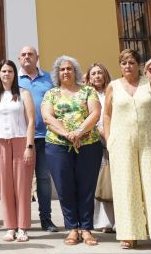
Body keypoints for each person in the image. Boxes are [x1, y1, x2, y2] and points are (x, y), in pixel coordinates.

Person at [104, 49, 151, 250]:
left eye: (131, 62)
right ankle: (130, 233)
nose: (127, 66)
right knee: (127, 186)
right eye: (123, 63)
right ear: (119, 66)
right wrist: (109, 138)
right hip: (122, 142)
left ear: (139, 65)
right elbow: (107, 115)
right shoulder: (113, 87)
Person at [42, 56, 103, 246]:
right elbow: (47, 117)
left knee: (86, 187)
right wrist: (68, 134)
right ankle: (72, 229)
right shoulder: (51, 94)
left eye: (69, 68)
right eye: (62, 69)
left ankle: (86, 229)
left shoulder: (88, 91)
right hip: (57, 145)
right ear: (57, 73)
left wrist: (78, 132)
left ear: (75, 71)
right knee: (64, 187)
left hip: (88, 144)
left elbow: (95, 113)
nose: (66, 72)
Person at [0, 59, 36, 243]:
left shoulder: (24, 94)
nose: (7, 74)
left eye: (10, 71)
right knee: (4, 187)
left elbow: (31, 121)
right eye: (4, 71)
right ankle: (10, 227)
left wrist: (29, 146)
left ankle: (22, 227)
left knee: (22, 186)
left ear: (15, 74)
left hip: (21, 141)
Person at [17, 45, 58, 232]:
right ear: (19, 59)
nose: (27, 57)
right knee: (22, 181)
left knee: (43, 179)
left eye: (30, 54)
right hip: (21, 138)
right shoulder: (12, 79)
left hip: (46, 137)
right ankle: (21, 222)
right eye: (23, 54)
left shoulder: (49, 79)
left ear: (37, 57)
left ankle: (46, 219)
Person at [85, 63, 115, 233]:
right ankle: (102, 222)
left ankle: (117, 221)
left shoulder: (113, 91)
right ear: (89, 78)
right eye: (93, 74)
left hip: (112, 139)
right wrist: (101, 131)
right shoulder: (87, 94)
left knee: (113, 181)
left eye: (100, 73)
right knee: (99, 182)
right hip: (95, 140)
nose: (97, 76)